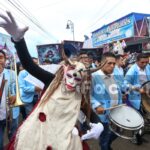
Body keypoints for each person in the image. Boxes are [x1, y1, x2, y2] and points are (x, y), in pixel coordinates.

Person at [0, 11, 103, 150]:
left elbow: (87, 109)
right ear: (65, 72)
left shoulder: (78, 94)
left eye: (77, 78)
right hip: (39, 136)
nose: (72, 82)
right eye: (70, 76)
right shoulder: (52, 81)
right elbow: (29, 65)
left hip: (63, 139)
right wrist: (19, 40)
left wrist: (99, 123)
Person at [91, 52, 123, 150]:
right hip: (103, 116)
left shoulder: (114, 74)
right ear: (101, 63)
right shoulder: (93, 77)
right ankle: (105, 146)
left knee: (118, 132)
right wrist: (96, 105)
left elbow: (120, 87)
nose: (112, 66)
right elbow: (87, 95)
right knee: (105, 137)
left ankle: (107, 145)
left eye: (114, 63)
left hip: (116, 112)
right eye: (109, 63)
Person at [124, 53, 150, 144]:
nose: (145, 64)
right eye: (142, 62)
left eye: (147, 62)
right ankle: (135, 137)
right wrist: (137, 89)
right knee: (137, 118)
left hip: (147, 95)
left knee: (146, 115)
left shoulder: (148, 67)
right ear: (137, 61)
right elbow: (125, 85)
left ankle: (143, 130)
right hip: (137, 97)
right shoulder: (131, 71)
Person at [0, 50, 19, 150]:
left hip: (11, 113)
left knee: (13, 139)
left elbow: (18, 88)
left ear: (5, 60)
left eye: (1, 57)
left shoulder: (12, 73)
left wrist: (15, 95)